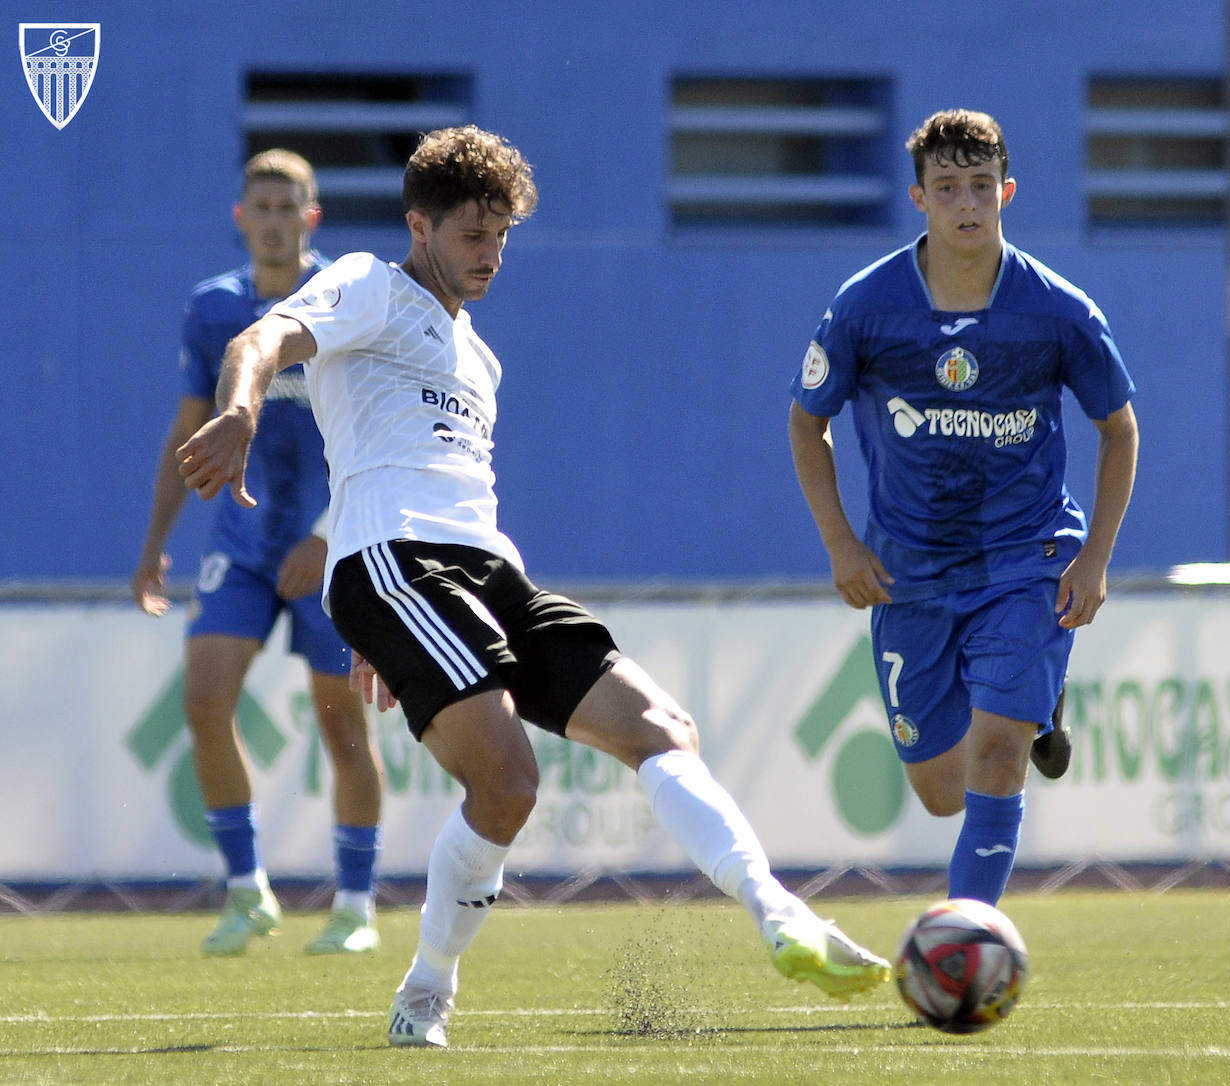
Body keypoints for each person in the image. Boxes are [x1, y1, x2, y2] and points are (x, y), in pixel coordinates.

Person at [174, 125, 891, 1048]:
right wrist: (238, 411)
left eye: (503, 234)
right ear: (418, 225)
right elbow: (264, 333)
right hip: (395, 562)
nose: (492, 253)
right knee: (509, 782)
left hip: (486, 569)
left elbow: (441, 474)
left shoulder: (481, 358)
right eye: (473, 233)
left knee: (663, 731)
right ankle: (427, 990)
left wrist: (387, 635)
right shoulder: (371, 283)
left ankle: (783, 916)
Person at [788, 109, 1138, 906]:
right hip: (908, 574)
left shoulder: (1058, 310)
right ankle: (1043, 706)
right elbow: (807, 422)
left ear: (1007, 191)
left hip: (1029, 560)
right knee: (942, 791)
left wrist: (1097, 558)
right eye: (948, 188)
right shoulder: (865, 306)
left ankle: (966, 939)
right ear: (919, 198)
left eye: (982, 186)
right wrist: (841, 543)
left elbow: (1118, 430)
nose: (968, 205)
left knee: (995, 761)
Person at [132, 150, 384, 956]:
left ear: (310, 219)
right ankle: (246, 893)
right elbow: (187, 429)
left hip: (326, 547)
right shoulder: (211, 311)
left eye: (289, 207)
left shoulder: (337, 305)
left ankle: (354, 907)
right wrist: (155, 545)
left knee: (343, 730)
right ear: (242, 217)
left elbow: (375, 440)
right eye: (261, 207)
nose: (274, 220)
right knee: (203, 702)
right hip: (240, 542)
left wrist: (325, 535)